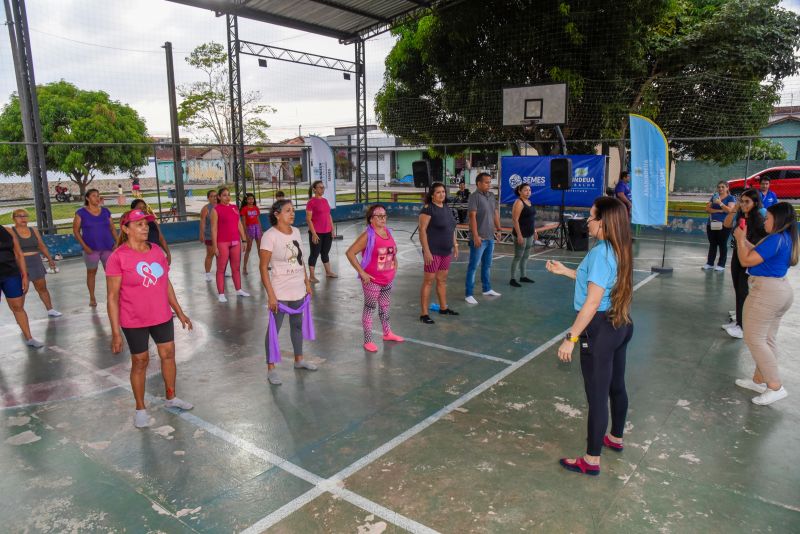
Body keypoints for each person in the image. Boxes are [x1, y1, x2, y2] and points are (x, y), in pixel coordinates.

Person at [545, 196, 634, 476]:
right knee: (616, 386)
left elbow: (592, 302)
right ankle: (615, 437)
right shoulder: (620, 247)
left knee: (597, 396)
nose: (588, 221)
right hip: (620, 323)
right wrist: (567, 272)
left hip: (599, 329)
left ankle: (591, 460)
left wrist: (571, 337)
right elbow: (599, 285)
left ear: (604, 223)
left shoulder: (600, 252)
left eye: (592, 217)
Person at [106, 209, 194, 428]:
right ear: (126, 229)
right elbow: (112, 297)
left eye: (146, 224)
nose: (145, 227)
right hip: (133, 319)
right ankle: (140, 408)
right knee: (140, 361)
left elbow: (166, 284)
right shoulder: (117, 257)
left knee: (168, 354)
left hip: (161, 315)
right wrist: (116, 332)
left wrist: (179, 311)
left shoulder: (156, 251)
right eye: (139, 224)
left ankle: (171, 397)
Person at [732, 202, 797, 405]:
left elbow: (746, 261)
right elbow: (758, 254)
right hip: (780, 291)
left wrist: (741, 240)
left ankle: (775, 386)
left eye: (768, 218)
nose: (765, 220)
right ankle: (761, 380)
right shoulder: (784, 238)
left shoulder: (775, 238)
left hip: (766, 294)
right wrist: (746, 242)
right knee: (767, 339)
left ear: (777, 220)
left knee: (754, 339)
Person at [259, 199, 318, 385]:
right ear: (277, 214)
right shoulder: (270, 236)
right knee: (274, 331)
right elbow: (262, 267)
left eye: (293, 210)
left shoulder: (297, 232)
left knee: (297, 325)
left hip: (298, 289)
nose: (292, 214)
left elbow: (299, 260)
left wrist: (307, 282)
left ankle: (299, 360)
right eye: (287, 211)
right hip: (280, 291)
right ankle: (271, 368)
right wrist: (271, 295)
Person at [345, 204, 404, 352]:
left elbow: (392, 250)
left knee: (384, 308)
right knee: (370, 308)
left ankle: (387, 333)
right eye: (379, 216)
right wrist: (362, 273)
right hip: (372, 281)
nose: (383, 218)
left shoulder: (388, 232)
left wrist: (395, 263)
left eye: (384, 215)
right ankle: (368, 341)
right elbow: (350, 253)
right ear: (371, 219)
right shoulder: (368, 235)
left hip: (387, 279)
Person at [722, 189, 767, 339]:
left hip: (748, 258)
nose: (743, 204)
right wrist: (734, 210)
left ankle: (743, 327)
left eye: (747, 201)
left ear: (755, 203)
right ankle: (738, 322)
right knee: (737, 289)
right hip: (737, 255)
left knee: (743, 291)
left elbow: (759, 245)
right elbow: (726, 224)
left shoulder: (758, 219)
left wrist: (743, 241)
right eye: (741, 201)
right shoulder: (741, 214)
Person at [418, 182, 459, 324]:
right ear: (432, 195)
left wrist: (455, 244)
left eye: (443, 192)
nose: (442, 194)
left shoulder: (447, 208)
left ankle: (443, 307)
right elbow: (422, 231)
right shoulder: (428, 209)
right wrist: (427, 251)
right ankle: (424, 314)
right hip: (433, 251)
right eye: (438, 192)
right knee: (428, 281)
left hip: (446, 251)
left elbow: (451, 228)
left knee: (442, 280)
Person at [10, 209, 61, 317]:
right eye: (19, 216)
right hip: (21, 264)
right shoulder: (11, 231)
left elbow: (41, 245)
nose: (23, 218)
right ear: (14, 218)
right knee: (22, 291)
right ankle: (20, 314)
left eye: (25, 216)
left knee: (42, 288)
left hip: (36, 262)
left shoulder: (33, 230)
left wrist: (50, 259)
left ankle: (50, 309)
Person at [72, 188, 117, 307]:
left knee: (111, 273)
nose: (97, 198)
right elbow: (76, 231)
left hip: (108, 247)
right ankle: (92, 297)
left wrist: (117, 242)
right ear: (87, 198)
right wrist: (84, 246)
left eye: (98, 195)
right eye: (94, 196)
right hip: (91, 249)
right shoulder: (81, 213)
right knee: (91, 272)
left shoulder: (106, 211)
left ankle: (111, 296)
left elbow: (112, 228)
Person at [0, 224, 43, 347]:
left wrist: (24, 274)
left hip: (11, 274)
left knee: (18, 306)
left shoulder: (7, 231)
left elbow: (19, 253)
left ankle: (29, 338)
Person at [465, 172, 501, 304]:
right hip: (479, 238)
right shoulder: (474, 197)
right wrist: (475, 236)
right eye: (486, 182)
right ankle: (469, 293)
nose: (489, 184)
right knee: (473, 266)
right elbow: (472, 217)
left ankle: (487, 289)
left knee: (487, 265)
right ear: (478, 184)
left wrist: (498, 229)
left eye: (490, 182)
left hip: (490, 237)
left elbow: (494, 213)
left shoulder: (491, 196)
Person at [211, 187, 250, 302]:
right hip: (222, 242)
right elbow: (214, 229)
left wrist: (243, 240)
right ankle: (221, 294)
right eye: (224, 195)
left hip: (235, 241)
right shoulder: (216, 210)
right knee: (221, 269)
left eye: (228, 195)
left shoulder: (234, 208)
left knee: (236, 268)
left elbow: (239, 224)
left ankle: (239, 290)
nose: (227, 197)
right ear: (219, 197)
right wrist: (214, 246)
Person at [306, 180, 338, 282]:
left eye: (323, 187)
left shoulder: (325, 201)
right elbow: (308, 219)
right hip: (317, 233)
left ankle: (328, 272)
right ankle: (311, 276)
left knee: (325, 253)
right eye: (320, 187)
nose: (322, 189)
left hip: (327, 232)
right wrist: (314, 234)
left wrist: (332, 229)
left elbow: (329, 216)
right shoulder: (311, 202)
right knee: (314, 254)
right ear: (314, 189)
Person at [702, 181, 736, 271]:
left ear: (727, 188)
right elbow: (707, 209)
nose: (720, 189)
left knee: (722, 244)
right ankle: (710, 263)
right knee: (712, 244)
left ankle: (721, 264)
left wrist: (720, 203)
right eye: (719, 187)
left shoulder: (730, 198)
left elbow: (730, 210)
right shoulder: (714, 197)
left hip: (724, 224)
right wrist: (719, 211)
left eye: (723, 187)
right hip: (712, 223)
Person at [510, 183, 537, 287]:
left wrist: (534, 231)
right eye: (525, 190)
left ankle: (523, 276)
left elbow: (531, 219)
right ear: (520, 191)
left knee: (525, 256)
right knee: (518, 256)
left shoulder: (529, 202)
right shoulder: (519, 203)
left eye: (529, 190)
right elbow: (515, 220)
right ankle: (512, 279)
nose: (528, 192)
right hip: (521, 234)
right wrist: (519, 235)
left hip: (529, 233)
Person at [130, 199, 171, 265]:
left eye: (144, 207)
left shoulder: (152, 221)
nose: (143, 210)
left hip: (156, 255)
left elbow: (161, 238)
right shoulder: (131, 225)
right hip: (142, 258)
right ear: (132, 210)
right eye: (139, 208)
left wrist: (168, 253)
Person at [240, 193, 263, 276]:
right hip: (249, 228)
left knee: (260, 248)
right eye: (249, 199)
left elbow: (258, 219)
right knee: (248, 249)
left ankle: (263, 265)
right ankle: (244, 267)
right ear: (246, 200)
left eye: (252, 199)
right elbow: (243, 222)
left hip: (257, 228)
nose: (251, 200)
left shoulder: (256, 208)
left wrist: (260, 230)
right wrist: (245, 233)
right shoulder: (244, 209)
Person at [199, 189, 218, 282]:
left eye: (216, 196)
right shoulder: (206, 208)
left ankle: (222, 271)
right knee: (210, 254)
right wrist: (202, 234)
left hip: (221, 235)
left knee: (221, 254)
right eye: (212, 196)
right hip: (209, 235)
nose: (214, 198)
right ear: (208, 198)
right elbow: (202, 222)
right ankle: (207, 273)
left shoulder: (221, 206)